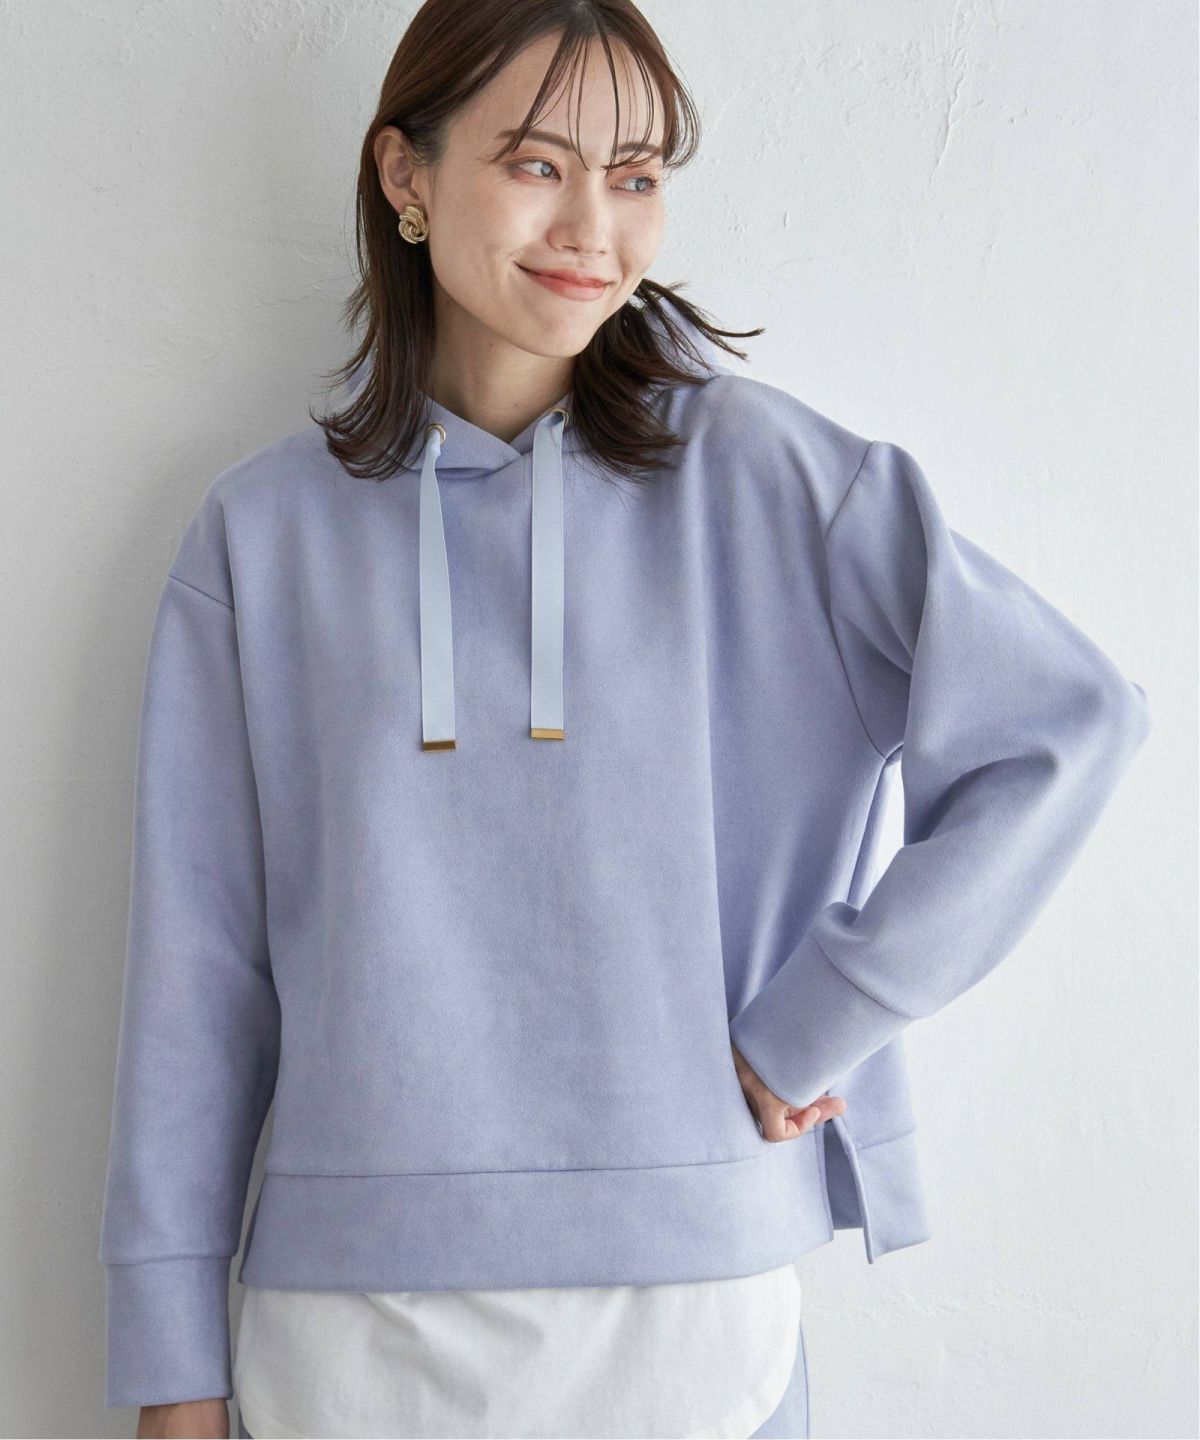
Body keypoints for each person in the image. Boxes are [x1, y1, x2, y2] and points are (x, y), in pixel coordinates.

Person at [97, 2, 1153, 1437]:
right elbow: (198, 970)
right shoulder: (261, 535)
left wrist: (821, 1019)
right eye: (537, 164)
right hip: (349, 1338)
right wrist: (171, 1364)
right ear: (406, 175)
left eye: (637, 175)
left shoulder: (768, 481)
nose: (593, 226)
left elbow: (1065, 728)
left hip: (695, 1322)